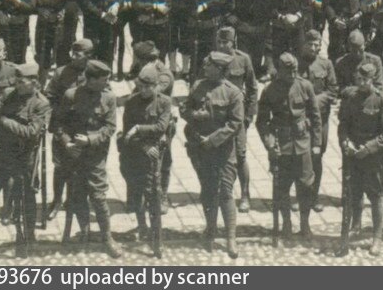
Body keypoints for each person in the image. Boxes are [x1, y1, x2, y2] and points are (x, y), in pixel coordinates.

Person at [0, 60, 48, 257]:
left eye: (23, 82)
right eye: (17, 81)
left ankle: (27, 236)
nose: (18, 85)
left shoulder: (41, 104)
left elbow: (31, 132)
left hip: (24, 157)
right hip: (1, 153)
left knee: (26, 197)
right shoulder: (7, 94)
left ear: (35, 82)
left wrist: (6, 121)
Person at [54, 60, 120, 255]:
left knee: (99, 197)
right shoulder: (71, 95)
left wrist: (90, 140)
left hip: (95, 155)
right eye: (103, 80)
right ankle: (84, 231)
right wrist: (67, 143)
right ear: (90, 80)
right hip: (74, 156)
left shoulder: (108, 98)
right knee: (77, 196)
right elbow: (58, 125)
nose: (107, 83)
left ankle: (107, 237)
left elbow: (110, 127)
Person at [183, 52, 243, 258]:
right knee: (207, 189)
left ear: (219, 69)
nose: (205, 67)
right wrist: (193, 116)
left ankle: (231, 238)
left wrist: (213, 139)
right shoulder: (198, 86)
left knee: (226, 191)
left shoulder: (233, 92)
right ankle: (210, 228)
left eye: (209, 65)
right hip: (200, 148)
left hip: (223, 151)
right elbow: (185, 108)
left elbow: (235, 123)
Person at [257, 51, 319, 240]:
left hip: (302, 145)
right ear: (279, 70)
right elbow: (261, 122)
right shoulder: (270, 90)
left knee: (306, 186)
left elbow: (315, 116)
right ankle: (286, 224)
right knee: (282, 188)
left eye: (295, 71)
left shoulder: (305, 86)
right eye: (288, 71)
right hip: (281, 146)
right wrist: (269, 144)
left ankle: (305, 223)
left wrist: (316, 143)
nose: (292, 75)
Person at [338, 55, 383, 255]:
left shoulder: (382, 99)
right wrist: (345, 143)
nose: (362, 84)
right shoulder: (350, 97)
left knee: (376, 196)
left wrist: (369, 148)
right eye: (359, 80)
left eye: (366, 80)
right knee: (354, 193)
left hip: (373, 157)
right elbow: (343, 124)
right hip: (353, 155)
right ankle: (355, 225)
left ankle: (377, 238)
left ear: (373, 80)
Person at [119, 65, 175, 257]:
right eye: (141, 86)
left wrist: (139, 128)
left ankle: (156, 238)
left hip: (156, 156)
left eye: (148, 87)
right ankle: (142, 225)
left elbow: (161, 127)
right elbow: (126, 134)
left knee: (154, 196)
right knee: (136, 192)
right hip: (135, 153)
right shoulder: (131, 102)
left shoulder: (165, 102)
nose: (144, 90)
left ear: (156, 86)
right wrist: (143, 146)